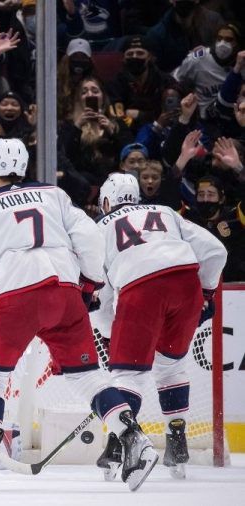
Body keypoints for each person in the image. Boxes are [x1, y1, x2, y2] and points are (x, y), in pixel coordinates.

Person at [0, 139, 156, 491]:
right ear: (23, 169)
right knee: (87, 377)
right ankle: (133, 438)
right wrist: (90, 284)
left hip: (19, 297)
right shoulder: (54, 194)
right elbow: (89, 238)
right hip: (66, 295)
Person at [92, 172, 227, 480]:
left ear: (107, 202)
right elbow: (217, 251)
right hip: (185, 284)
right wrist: (206, 292)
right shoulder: (166, 212)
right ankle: (177, 445)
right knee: (170, 365)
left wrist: (111, 332)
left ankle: (118, 445)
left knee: (128, 372)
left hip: (141, 290)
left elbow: (101, 297)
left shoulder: (98, 228)